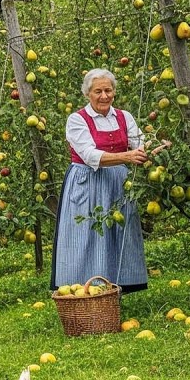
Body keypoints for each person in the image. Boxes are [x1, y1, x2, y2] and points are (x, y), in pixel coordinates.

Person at [52, 68, 148, 292]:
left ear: (114, 92)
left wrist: (152, 150)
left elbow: (139, 143)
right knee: (88, 234)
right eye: (98, 91)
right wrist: (127, 156)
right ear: (88, 93)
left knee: (118, 231)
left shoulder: (124, 117)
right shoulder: (77, 120)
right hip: (88, 181)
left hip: (119, 182)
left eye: (108, 90)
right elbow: (90, 155)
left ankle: (117, 286)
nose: (104, 96)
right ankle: (84, 289)